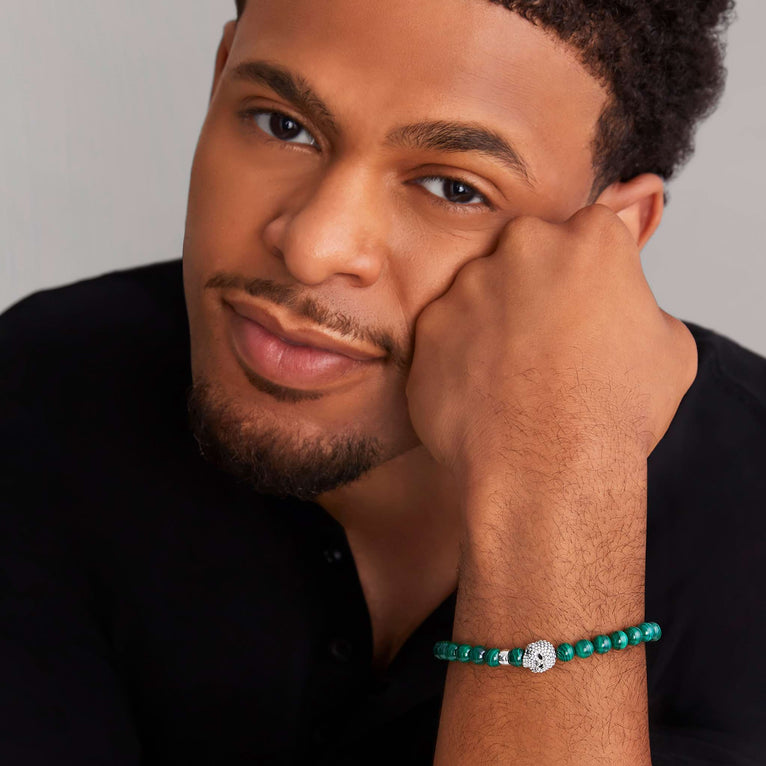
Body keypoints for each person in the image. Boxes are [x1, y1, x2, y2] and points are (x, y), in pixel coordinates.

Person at [1, 0, 764, 763]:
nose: (312, 246)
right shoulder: (40, 389)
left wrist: (552, 493)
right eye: (283, 124)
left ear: (614, 236)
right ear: (219, 77)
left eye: (453, 189)